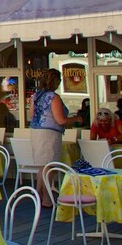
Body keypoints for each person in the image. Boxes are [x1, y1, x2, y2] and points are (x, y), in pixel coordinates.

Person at [28, 69, 81, 205]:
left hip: (35, 132)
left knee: (42, 167)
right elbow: (61, 120)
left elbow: (31, 116)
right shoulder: (53, 97)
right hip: (49, 134)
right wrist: (76, 119)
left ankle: (38, 195)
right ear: (55, 81)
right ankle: (46, 198)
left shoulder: (36, 96)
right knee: (49, 167)